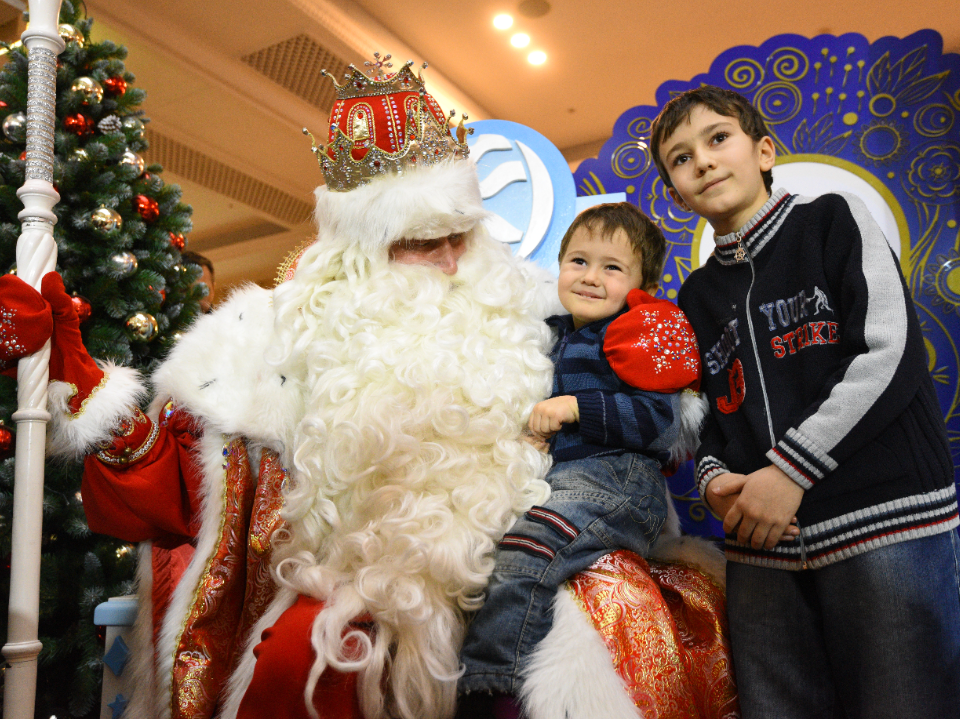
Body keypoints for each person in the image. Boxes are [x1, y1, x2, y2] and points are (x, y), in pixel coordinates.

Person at [0, 62, 738, 719]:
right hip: (354, 579)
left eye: (460, 235)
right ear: (359, 252)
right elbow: (170, 498)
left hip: (538, 556)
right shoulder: (276, 335)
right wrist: (79, 380)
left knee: (620, 641)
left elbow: (653, 412)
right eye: (421, 243)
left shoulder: (539, 305)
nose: (450, 261)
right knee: (297, 663)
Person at [650, 85, 960, 718]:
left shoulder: (833, 221)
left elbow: (887, 353)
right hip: (762, 545)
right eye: (680, 159)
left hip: (885, 525)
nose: (703, 161)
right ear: (675, 192)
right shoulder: (696, 299)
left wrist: (791, 469)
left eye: (717, 139)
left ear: (764, 151)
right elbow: (704, 414)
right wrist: (714, 482)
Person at [456, 202, 704, 711]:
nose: (591, 278)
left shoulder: (635, 335)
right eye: (579, 261)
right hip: (563, 479)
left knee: (532, 545)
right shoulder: (548, 332)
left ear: (642, 286)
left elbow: (659, 425)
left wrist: (576, 407)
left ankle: (488, 683)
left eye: (612, 268)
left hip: (618, 481)